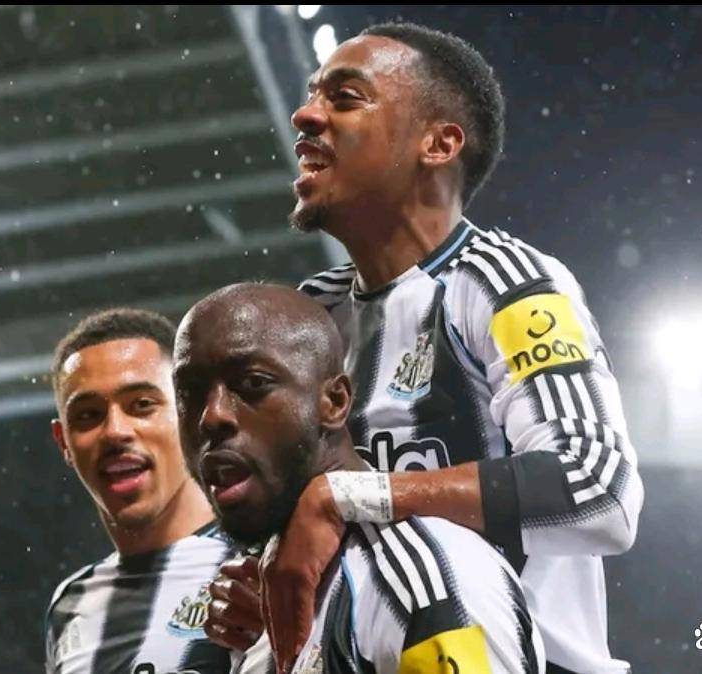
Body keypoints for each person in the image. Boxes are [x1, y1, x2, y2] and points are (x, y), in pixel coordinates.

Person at [209, 22, 645, 674]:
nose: (305, 116)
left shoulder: (503, 283)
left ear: (437, 144)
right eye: (310, 96)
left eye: (344, 98)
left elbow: (597, 489)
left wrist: (348, 495)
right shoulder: (309, 317)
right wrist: (260, 587)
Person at [173, 283, 546, 674]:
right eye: (190, 393)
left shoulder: (425, 580)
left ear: (334, 403)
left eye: (253, 383)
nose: (211, 417)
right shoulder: (258, 606)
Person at [44, 308, 233, 674]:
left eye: (142, 405)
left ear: (190, 414)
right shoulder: (71, 607)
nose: (115, 431)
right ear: (63, 441)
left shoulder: (268, 558)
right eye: (88, 415)